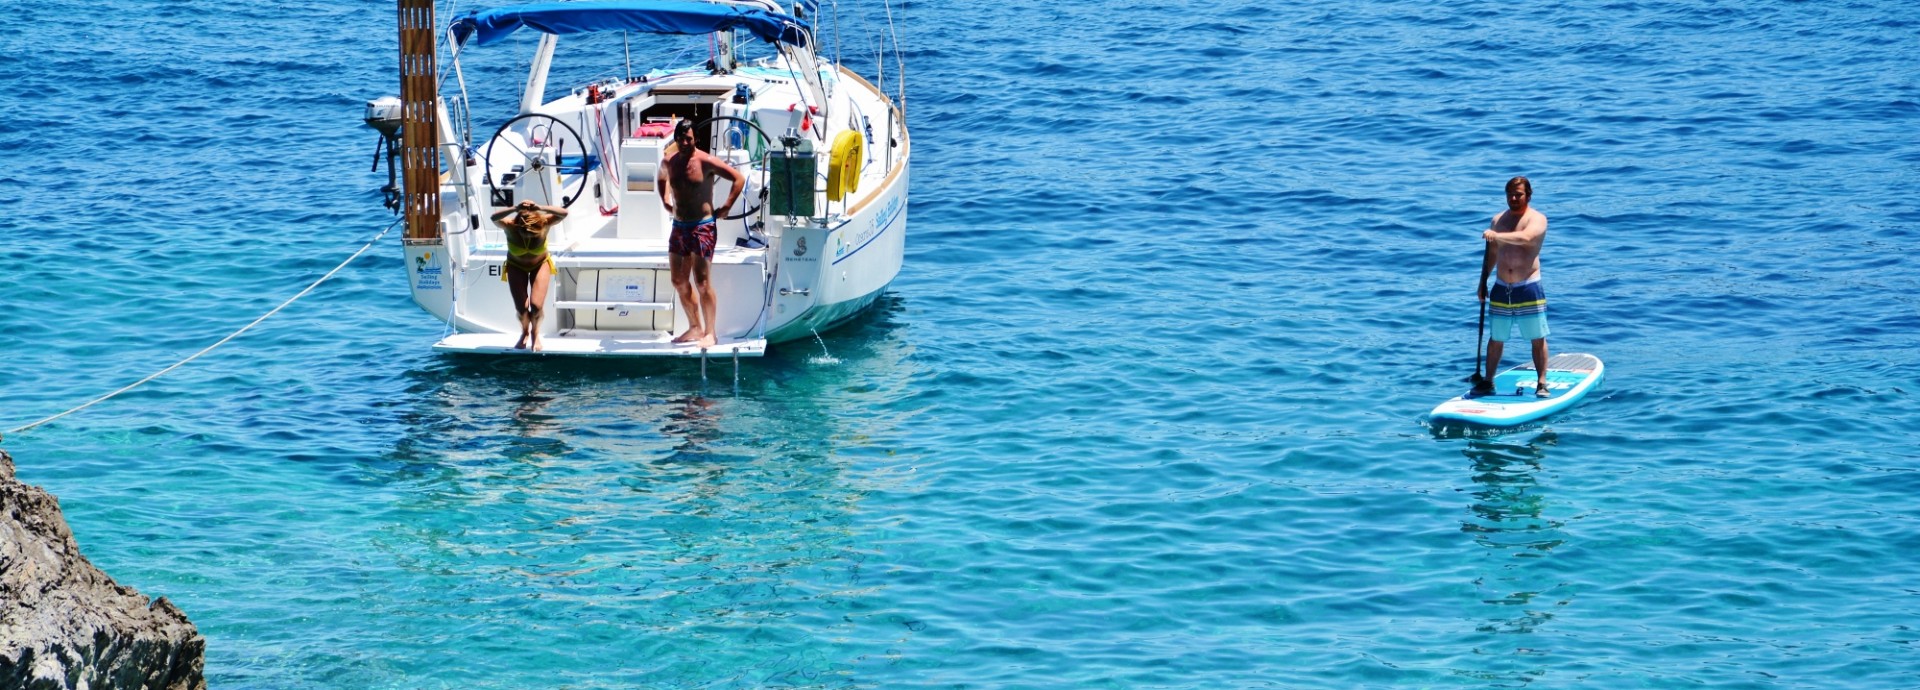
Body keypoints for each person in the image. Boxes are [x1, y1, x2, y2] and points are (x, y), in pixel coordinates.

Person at [657, 118, 743, 348]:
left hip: (702, 227)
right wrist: (665, 199)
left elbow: (738, 178)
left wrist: (726, 206)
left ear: (695, 139)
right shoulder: (669, 161)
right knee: (678, 280)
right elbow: (661, 177)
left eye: (689, 138)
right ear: (675, 140)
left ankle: (710, 332)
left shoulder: (706, 161)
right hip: (678, 227)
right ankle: (694, 326)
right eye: (680, 139)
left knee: (702, 283)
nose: (684, 142)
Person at [1477, 176, 1551, 397]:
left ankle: (1541, 382)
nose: (1513, 198)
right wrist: (1483, 282)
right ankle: (1488, 381)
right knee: (1496, 338)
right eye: (1510, 194)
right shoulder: (1498, 220)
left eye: (1518, 194)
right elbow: (1492, 254)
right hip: (1501, 287)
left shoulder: (1536, 219)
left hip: (1528, 286)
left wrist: (1497, 236)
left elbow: (1526, 238)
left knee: (1537, 337)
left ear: (1528, 195)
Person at [491, 199, 569, 351]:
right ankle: (525, 332)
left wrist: (540, 207)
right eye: (525, 234)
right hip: (515, 266)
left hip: (540, 265)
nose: (528, 238)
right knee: (522, 309)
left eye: (532, 236)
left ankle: (535, 333)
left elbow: (564, 213)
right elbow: (493, 218)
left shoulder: (545, 223)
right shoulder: (509, 226)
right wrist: (514, 208)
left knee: (536, 306)